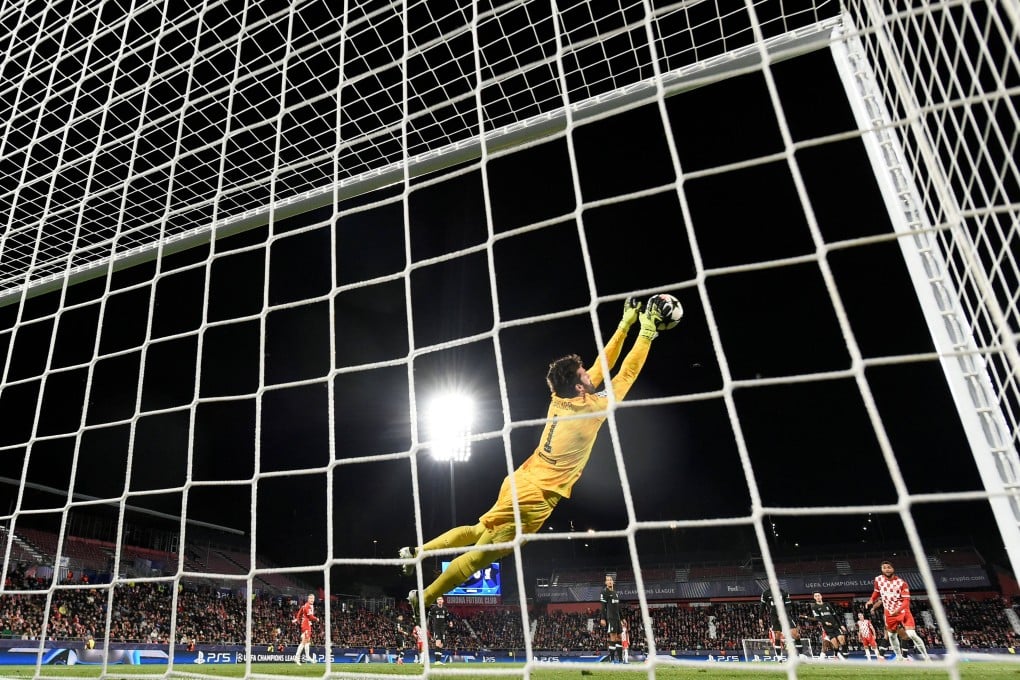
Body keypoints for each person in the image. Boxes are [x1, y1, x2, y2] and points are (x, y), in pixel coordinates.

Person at [399, 295, 677, 611]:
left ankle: (416, 552)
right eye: (584, 374)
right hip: (537, 498)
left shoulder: (561, 399)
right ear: (580, 388)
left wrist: (625, 325)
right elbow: (625, 374)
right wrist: (646, 333)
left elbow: (602, 365)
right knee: (479, 556)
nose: (590, 374)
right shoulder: (591, 411)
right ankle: (423, 598)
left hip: (521, 479)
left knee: (478, 530)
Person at [865, 560, 930, 661]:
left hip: (903, 611)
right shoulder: (878, 580)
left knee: (911, 634)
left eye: (889, 567)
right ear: (882, 569)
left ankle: (926, 657)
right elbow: (876, 591)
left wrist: (898, 610)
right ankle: (899, 658)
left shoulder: (901, 583)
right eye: (884, 567)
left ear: (893, 569)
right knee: (891, 636)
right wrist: (871, 600)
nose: (887, 569)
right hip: (889, 612)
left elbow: (906, 601)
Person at [760, 587, 805, 657]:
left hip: (785, 615)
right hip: (774, 616)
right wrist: (760, 618)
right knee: (777, 635)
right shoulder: (766, 593)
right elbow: (762, 606)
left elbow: (788, 606)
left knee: (796, 634)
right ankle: (779, 657)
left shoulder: (784, 592)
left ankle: (801, 655)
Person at [802, 592, 847, 659]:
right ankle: (835, 655)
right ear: (814, 598)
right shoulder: (815, 607)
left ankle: (845, 658)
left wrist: (841, 625)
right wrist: (825, 622)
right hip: (828, 629)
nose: (817, 597)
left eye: (818, 595)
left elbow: (835, 615)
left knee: (842, 640)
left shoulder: (827, 604)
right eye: (816, 596)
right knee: (835, 645)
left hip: (835, 626)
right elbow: (817, 618)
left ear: (821, 596)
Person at [600, 575, 623, 663]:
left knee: (619, 638)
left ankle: (620, 659)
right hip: (611, 618)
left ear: (613, 582)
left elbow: (618, 607)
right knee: (613, 638)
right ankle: (612, 659)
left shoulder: (615, 593)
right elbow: (603, 606)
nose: (609, 581)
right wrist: (603, 618)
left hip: (617, 618)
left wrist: (623, 618)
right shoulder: (604, 592)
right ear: (606, 582)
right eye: (608, 580)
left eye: (611, 580)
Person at [292, 593, 318, 664]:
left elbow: (299, 613)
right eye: (311, 598)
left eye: (313, 598)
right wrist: (316, 619)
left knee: (307, 641)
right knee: (304, 642)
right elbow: (310, 617)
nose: (312, 600)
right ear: (308, 599)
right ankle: (296, 657)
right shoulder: (307, 606)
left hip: (307, 624)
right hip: (306, 624)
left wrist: (297, 619)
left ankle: (307, 656)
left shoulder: (306, 606)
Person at [426, 596, 451, 664]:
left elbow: (448, 616)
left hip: (442, 628)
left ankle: (439, 660)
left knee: (442, 644)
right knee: (438, 642)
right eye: (438, 600)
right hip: (436, 627)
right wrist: (428, 625)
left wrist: (450, 622)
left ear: (443, 601)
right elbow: (429, 617)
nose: (440, 601)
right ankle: (437, 661)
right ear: (437, 601)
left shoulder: (445, 609)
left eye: (441, 599)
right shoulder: (434, 608)